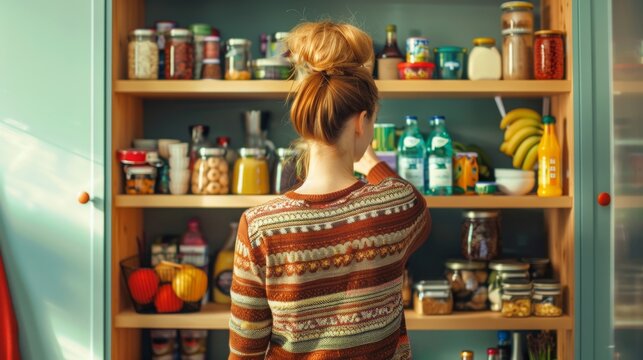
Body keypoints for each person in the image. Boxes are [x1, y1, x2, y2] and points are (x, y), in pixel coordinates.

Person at [229, 21, 431, 359]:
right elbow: (412, 204)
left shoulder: (260, 227)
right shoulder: (397, 208)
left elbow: (244, 352)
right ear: (360, 122)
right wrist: (369, 163)